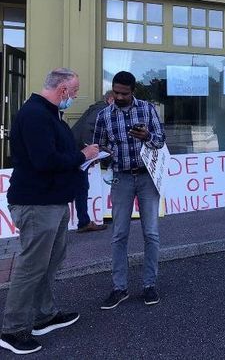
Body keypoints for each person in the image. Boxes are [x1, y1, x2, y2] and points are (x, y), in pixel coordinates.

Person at [0, 68, 99, 355]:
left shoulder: (48, 113)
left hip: (52, 201)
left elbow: (54, 153)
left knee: (50, 262)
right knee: (32, 267)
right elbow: (45, 160)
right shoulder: (35, 115)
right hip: (37, 203)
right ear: (63, 90)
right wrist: (83, 155)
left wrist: (80, 155)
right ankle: (13, 330)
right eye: (75, 89)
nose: (77, 95)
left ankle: (44, 315)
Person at [93, 71, 166, 309]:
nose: (119, 97)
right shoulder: (104, 115)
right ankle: (119, 288)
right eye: (116, 92)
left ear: (133, 91)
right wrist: (103, 154)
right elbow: (99, 146)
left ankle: (149, 285)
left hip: (147, 178)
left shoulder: (147, 109)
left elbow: (160, 140)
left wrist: (147, 136)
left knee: (151, 234)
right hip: (121, 179)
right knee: (119, 234)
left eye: (124, 93)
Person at [70, 91, 114, 233]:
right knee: (80, 187)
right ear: (111, 99)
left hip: (76, 151)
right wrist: (90, 152)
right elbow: (88, 131)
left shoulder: (97, 109)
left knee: (81, 186)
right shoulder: (101, 110)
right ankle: (83, 222)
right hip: (77, 153)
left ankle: (84, 221)